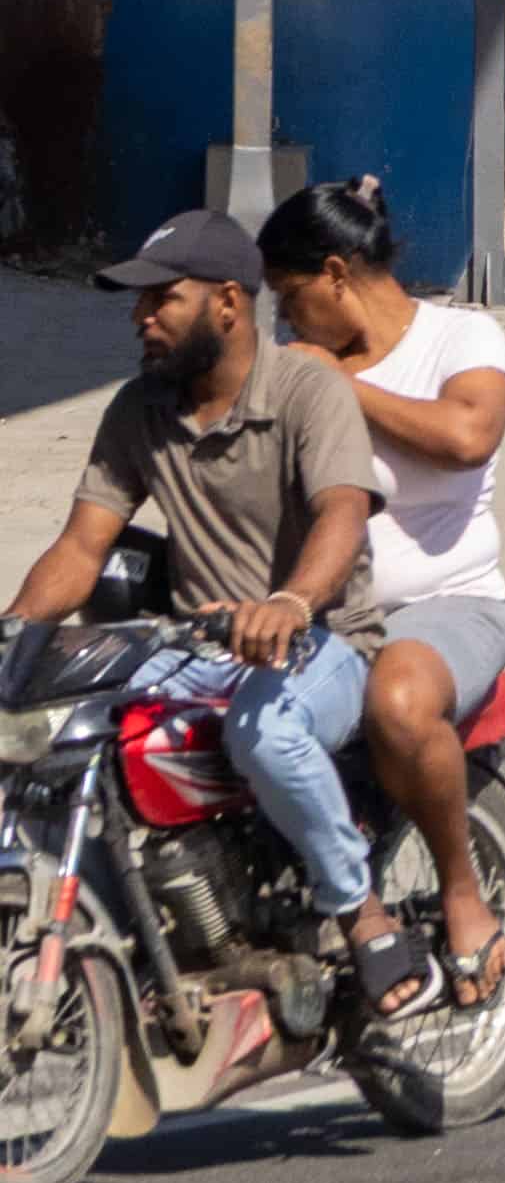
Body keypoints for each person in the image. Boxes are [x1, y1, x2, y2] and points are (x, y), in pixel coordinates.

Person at [0, 210, 427, 1018]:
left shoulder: (308, 389)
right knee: (61, 729)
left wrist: (290, 602)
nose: (141, 316)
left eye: (161, 298)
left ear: (228, 304)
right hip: (195, 647)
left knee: (263, 731)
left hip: (326, 643)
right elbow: (81, 547)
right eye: (138, 302)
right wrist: (13, 635)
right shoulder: (138, 410)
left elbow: (341, 513)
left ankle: (359, 910)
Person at [262, 177, 505, 1011]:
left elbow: (464, 434)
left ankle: (459, 890)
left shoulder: (459, 335)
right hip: (332, 618)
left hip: (452, 605)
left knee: (400, 694)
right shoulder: (303, 367)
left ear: (337, 273)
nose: (287, 319)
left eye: (292, 296)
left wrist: (336, 385)